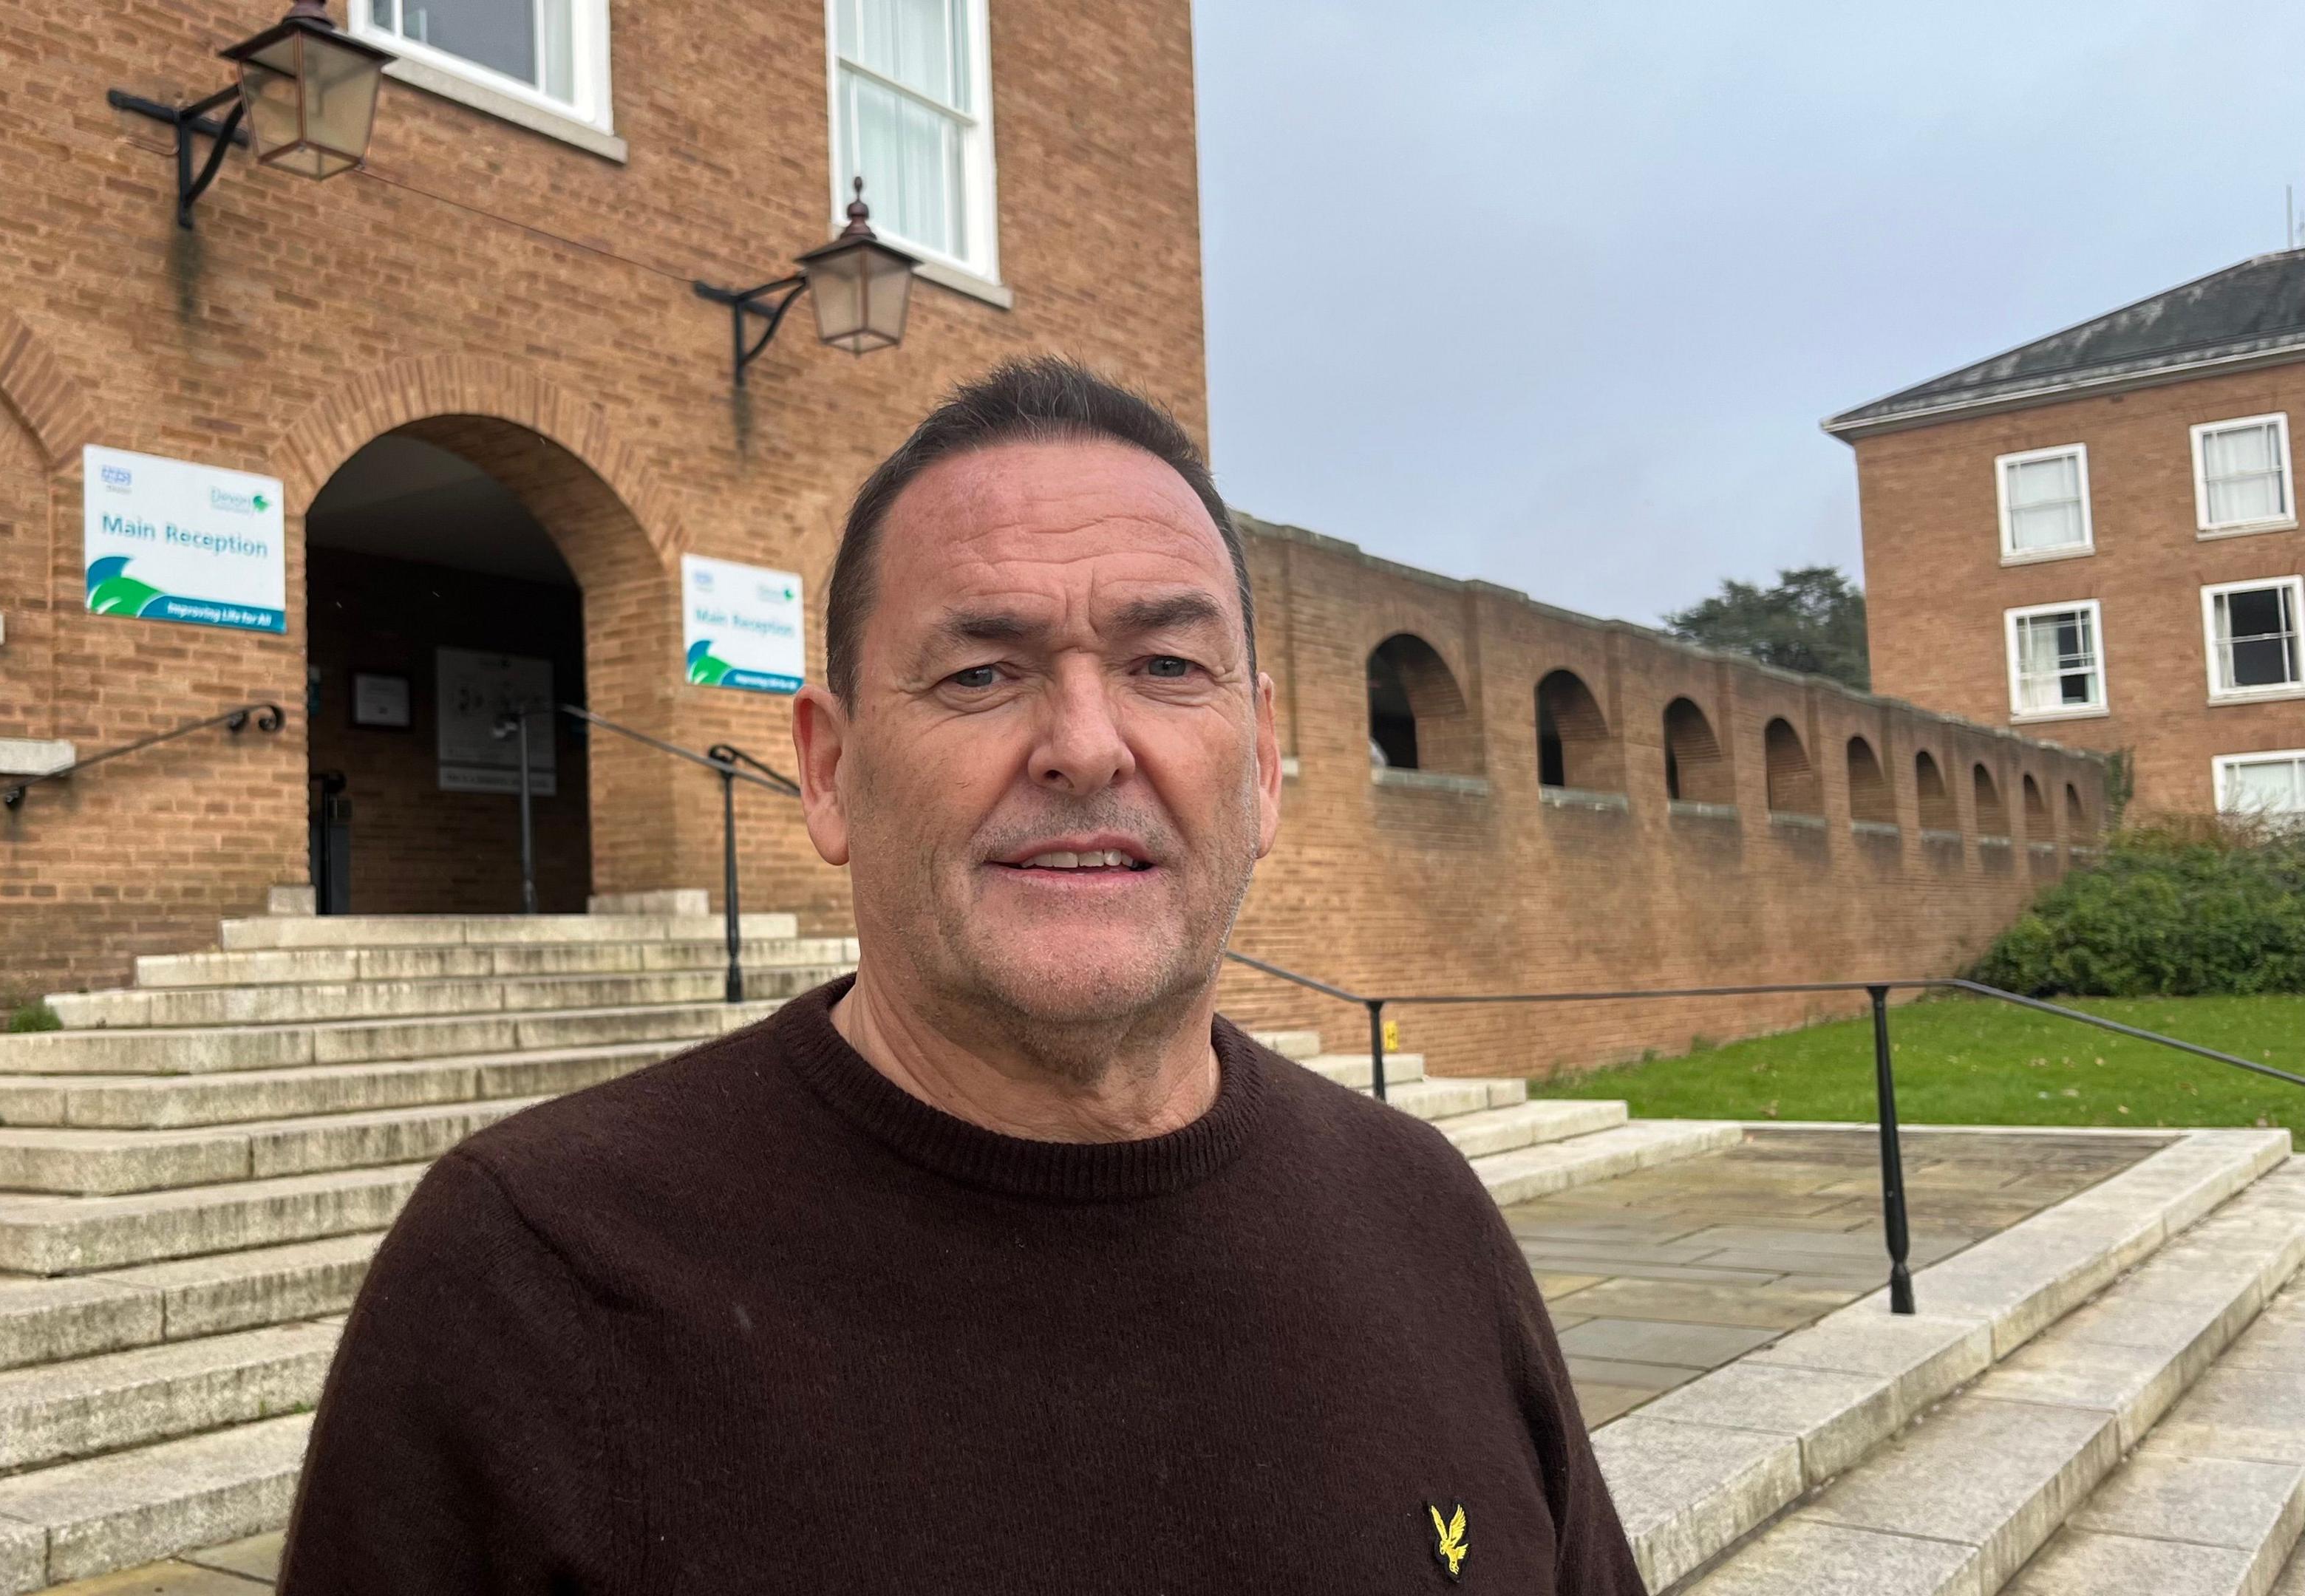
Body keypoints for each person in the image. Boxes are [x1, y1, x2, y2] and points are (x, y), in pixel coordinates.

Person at [278, 358, 1644, 1594]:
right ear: (829, 772)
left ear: (1265, 760)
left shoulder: (1425, 1216)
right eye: (983, 673)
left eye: (1167, 664)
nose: (1086, 746)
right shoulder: (533, 1277)